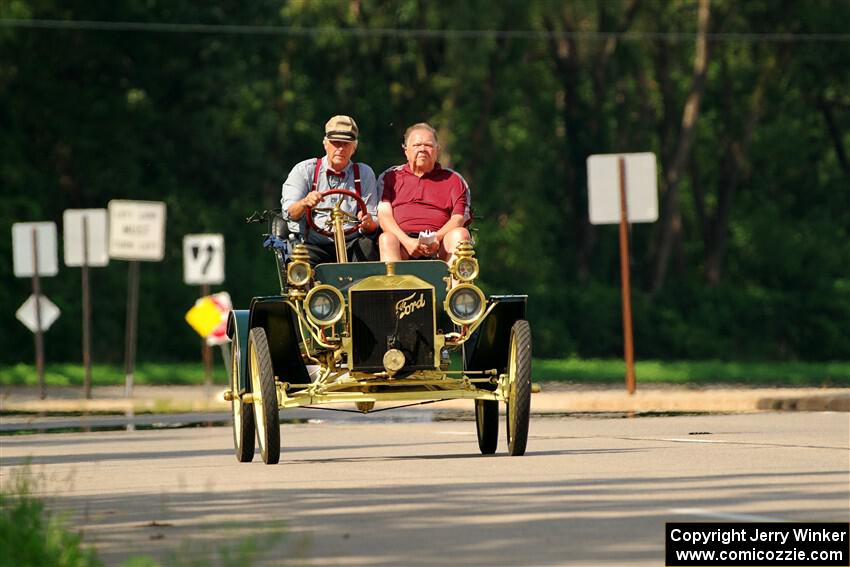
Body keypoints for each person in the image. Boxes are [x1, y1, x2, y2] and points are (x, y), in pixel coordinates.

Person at [281, 115, 379, 265]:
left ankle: (362, 288)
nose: (340, 149)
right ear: (325, 144)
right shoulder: (305, 170)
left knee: (369, 248)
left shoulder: (364, 174)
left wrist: (368, 222)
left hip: (352, 243)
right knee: (299, 262)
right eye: (335, 143)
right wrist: (305, 202)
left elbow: (373, 220)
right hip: (314, 244)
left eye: (346, 144)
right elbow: (290, 212)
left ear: (354, 147)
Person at [377, 122, 471, 265]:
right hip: (402, 243)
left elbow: (458, 219)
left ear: (437, 150)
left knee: (461, 234)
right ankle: (393, 287)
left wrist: (436, 238)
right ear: (406, 150)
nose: (422, 149)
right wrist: (407, 242)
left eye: (428, 145)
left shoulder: (454, 180)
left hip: (440, 244)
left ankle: (456, 287)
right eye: (416, 145)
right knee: (386, 238)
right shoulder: (390, 177)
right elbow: (384, 217)